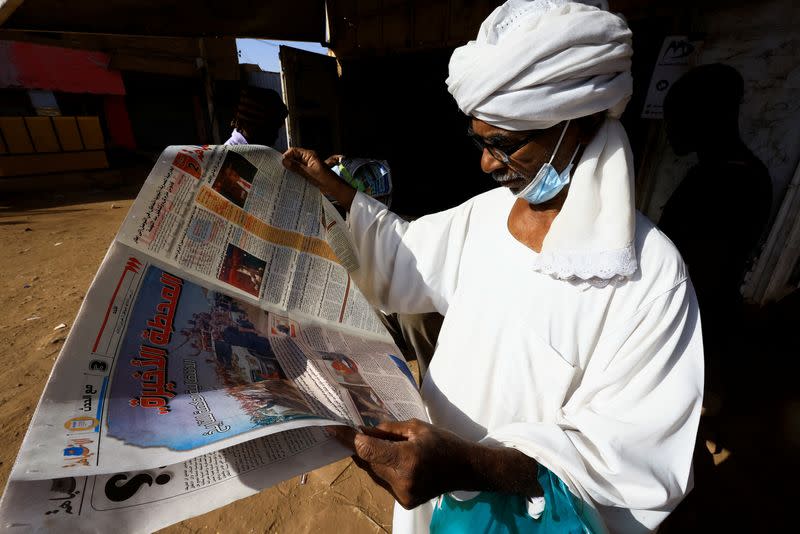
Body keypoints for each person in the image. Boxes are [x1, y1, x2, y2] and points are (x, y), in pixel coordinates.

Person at [284, 1, 703, 533]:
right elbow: (405, 256)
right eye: (480, 142)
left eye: (504, 145)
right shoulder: (486, 216)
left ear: (585, 120)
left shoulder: (651, 278)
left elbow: (632, 462)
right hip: (430, 494)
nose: (485, 164)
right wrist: (338, 193)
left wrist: (469, 465)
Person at [660, 64, 772, 411]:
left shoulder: (728, 183)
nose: (670, 129)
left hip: (697, 325)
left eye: (678, 117)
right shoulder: (733, 173)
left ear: (710, 116)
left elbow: (701, 273)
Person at [224, 85, 289, 147]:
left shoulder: (258, 150)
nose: (277, 135)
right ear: (248, 124)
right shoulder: (229, 155)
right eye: (272, 126)